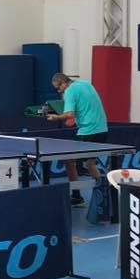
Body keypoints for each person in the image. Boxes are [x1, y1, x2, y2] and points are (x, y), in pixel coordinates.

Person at [46, 72, 109, 205]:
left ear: (64, 83)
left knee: (69, 160)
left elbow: (70, 114)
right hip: (102, 128)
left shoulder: (69, 91)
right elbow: (85, 105)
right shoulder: (85, 83)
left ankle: (77, 197)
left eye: (58, 88)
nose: (59, 91)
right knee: (89, 163)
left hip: (88, 130)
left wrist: (56, 117)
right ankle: (104, 194)